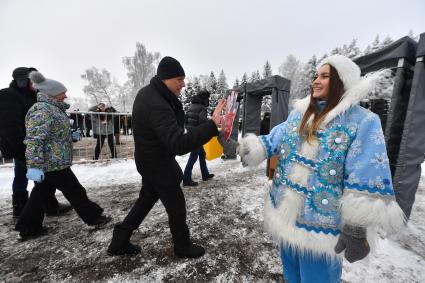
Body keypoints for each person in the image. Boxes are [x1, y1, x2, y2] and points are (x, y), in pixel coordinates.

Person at [237, 55, 405, 283]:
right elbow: (275, 139)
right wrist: (247, 147)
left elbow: (366, 171)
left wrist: (356, 226)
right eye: (316, 76)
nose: (316, 81)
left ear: (342, 81)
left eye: (324, 76)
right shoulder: (300, 113)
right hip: (285, 213)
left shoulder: (363, 121)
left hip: (322, 225)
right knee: (292, 275)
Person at [107, 56, 224, 258]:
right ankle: (182, 245)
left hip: (150, 159)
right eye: (179, 79)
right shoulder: (156, 103)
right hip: (157, 164)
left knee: (146, 199)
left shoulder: (152, 94)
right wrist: (211, 126)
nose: (183, 84)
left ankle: (120, 239)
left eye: (184, 78)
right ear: (165, 78)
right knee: (176, 205)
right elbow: (178, 144)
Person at [15, 71, 111, 240]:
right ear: (52, 93)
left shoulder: (52, 109)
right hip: (52, 163)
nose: (65, 95)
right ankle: (94, 217)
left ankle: (28, 227)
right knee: (75, 191)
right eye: (63, 92)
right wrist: (34, 166)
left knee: (40, 195)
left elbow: (52, 134)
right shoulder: (41, 110)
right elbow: (35, 140)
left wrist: (70, 136)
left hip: (54, 160)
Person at [0, 67, 71, 217]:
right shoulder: (8, 95)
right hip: (23, 145)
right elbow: (10, 125)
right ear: (23, 81)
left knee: (41, 178)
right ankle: (22, 208)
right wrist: (22, 148)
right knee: (25, 177)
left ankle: (41, 208)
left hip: (33, 145)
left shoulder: (34, 96)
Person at [182, 90, 215, 186]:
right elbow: (203, 123)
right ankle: (186, 179)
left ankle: (205, 174)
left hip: (192, 134)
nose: (208, 101)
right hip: (197, 136)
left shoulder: (191, 106)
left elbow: (186, 121)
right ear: (204, 99)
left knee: (202, 154)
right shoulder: (201, 108)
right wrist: (210, 124)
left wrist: (190, 130)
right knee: (193, 157)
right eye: (207, 99)